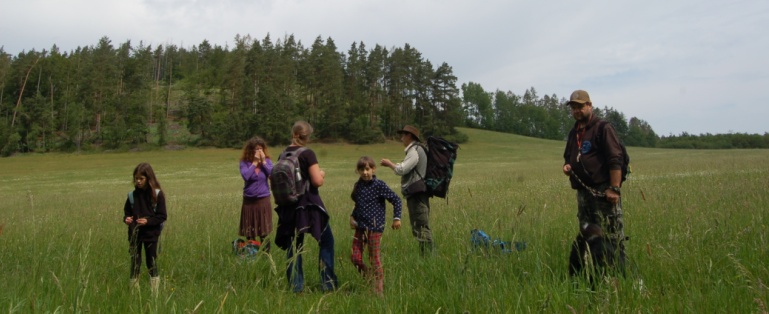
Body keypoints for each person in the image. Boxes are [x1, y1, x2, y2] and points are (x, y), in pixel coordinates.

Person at [562, 89, 626, 269]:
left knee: (611, 234)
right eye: (573, 107)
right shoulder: (573, 133)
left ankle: (618, 274)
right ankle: (593, 272)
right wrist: (568, 166)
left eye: (580, 106)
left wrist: (614, 188)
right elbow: (568, 157)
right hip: (583, 195)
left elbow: (616, 159)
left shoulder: (603, 128)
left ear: (590, 105)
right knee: (588, 234)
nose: (577, 111)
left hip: (603, 192)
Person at [273, 121, 338, 293]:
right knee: (326, 241)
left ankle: (296, 288)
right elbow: (317, 181)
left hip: (289, 207)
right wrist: (322, 174)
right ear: (307, 136)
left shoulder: (283, 154)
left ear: (293, 133)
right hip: (308, 205)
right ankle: (328, 285)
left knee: (294, 248)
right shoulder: (307, 153)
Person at [349, 156, 402, 294]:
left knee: (374, 258)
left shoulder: (379, 185)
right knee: (355, 257)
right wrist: (352, 216)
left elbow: (396, 200)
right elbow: (358, 204)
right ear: (358, 171)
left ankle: (378, 291)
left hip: (375, 228)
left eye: (367, 169)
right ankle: (369, 278)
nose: (365, 173)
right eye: (361, 169)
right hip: (360, 227)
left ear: (373, 169)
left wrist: (396, 218)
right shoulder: (358, 186)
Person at [380, 125, 433, 255]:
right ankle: (427, 256)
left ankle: (428, 258)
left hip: (416, 194)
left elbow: (402, 170)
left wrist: (389, 164)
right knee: (420, 226)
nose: (401, 137)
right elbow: (405, 167)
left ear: (409, 136)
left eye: (403, 135)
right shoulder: (416, 149)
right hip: (419, 193)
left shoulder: (414, 150)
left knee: (420, 227)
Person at [123, 162, 167, 295]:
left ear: (148, 178)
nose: (138, 181)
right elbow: (126, 213)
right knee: (135, 263)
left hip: (151, 234)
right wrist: (127, 219)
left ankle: (155, 293)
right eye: (136, 178)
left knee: (151, 262)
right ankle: (134, 294)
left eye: (141, 178)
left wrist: (148, 221)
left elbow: (162, 216)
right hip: (135, 234)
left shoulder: (157, 195)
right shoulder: (131, 195)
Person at [239, 137, 274, 252]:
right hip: (249, 202)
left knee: (264, 230)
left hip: (263, 200)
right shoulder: (244, 162)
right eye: (256, 149)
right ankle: (251, 255)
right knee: (249, 232)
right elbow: (246, 176)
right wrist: (254, 163)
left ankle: (266, 255)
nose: (259, 152)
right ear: (250, 150)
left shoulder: (267, 161)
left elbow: (272, 175)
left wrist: (263, 162)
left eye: (261, 149)